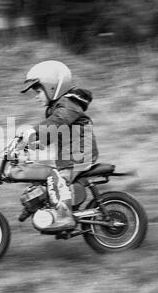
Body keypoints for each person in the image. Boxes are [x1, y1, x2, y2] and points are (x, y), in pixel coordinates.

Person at [18, 60, 99, 231]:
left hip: (79, 153)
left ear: (53, 87)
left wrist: (33, 131)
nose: (36, 96)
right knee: (41, 171)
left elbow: (59, 121)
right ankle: (45, 206)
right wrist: (30, 145)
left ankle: (64, 216)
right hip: (68, 155)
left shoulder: (68, 104)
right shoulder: (58, 107)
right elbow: (51, 133)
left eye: (38, 91)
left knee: (57, 179)